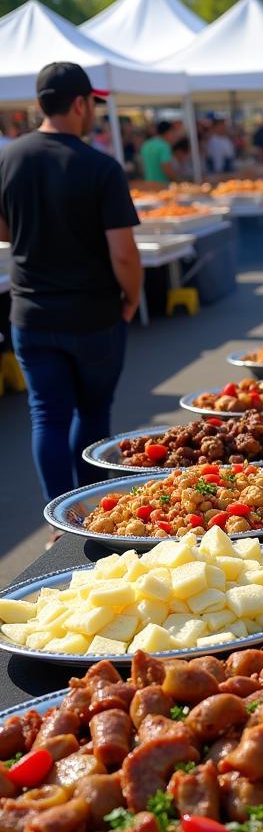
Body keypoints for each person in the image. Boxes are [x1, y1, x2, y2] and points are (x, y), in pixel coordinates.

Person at [0, 62, 141, 519]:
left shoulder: (8, 158)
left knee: (47, 417)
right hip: (94, 314)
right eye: (91, 105)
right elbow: (123, 253)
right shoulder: (99, 166)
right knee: (94, 416)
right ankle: (94, 513)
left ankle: (60, 517)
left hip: (31, 314)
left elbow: (3, 230)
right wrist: (133, 298)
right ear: (79, 104)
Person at [140, 119, 176, 183]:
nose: (173, 136)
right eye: (173, 133)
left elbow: (143, 166)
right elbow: (166, 168)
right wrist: (177, 180)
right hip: (162, 184)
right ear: (168, 132)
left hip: (149, 182)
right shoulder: (164, 146)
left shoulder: (146, 144)